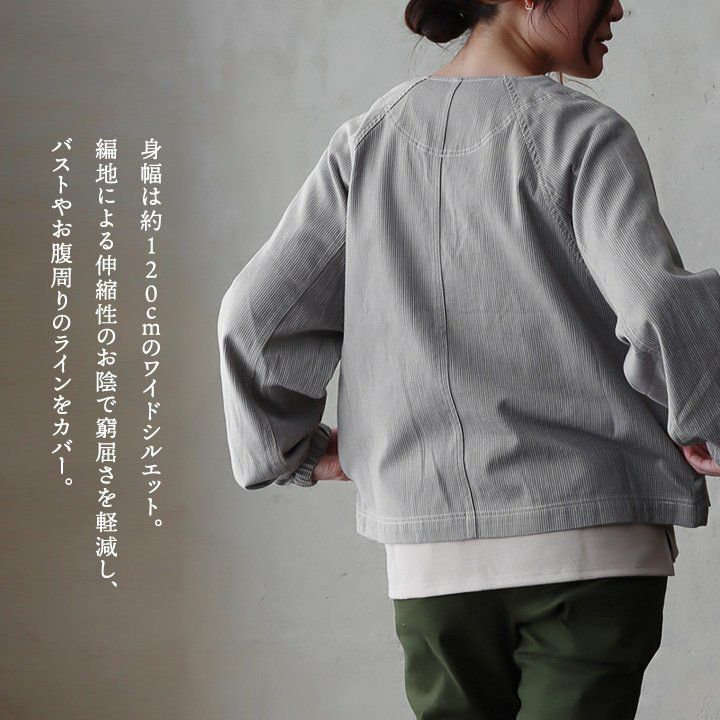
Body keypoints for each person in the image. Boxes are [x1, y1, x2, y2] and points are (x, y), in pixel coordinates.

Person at [216, 0, 720, 717]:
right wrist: (709, 421)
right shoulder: (582, 133)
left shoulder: (367, 141)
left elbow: (254, 317)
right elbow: (656, 301)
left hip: (433, 552)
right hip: (596, 538)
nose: (618, 6)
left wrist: (288, 450)